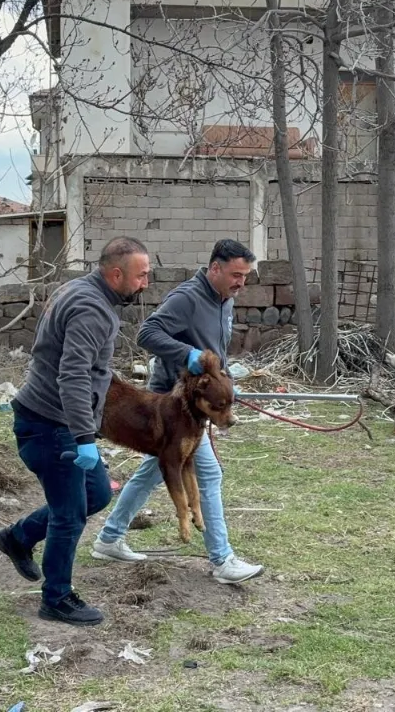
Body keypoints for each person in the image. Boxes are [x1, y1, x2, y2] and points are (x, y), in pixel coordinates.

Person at [0, 236, 151, 627]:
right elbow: (74, 374)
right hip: (49, 425)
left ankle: (18, 537)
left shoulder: (82, 290)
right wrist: (83, 437)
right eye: (141, 276)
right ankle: (57, 598)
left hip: (54, 419)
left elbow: (88, 369)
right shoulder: (90, 309)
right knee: (69, 515)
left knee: (95, 494)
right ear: (116, 274)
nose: (145, 283)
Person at [92, 239, 264, 584]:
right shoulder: (187, 298)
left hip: (200, 403)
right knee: (209, 474)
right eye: (234, 274)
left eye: (244, 276)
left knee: (154, 471)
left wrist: (225, 385)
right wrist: (186, 356)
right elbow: (147, 333)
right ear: (214, 268)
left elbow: (214, 353)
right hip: (172, 401)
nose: (240, 283)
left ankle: (109, 538)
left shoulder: (223, 300)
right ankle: (222, 559)